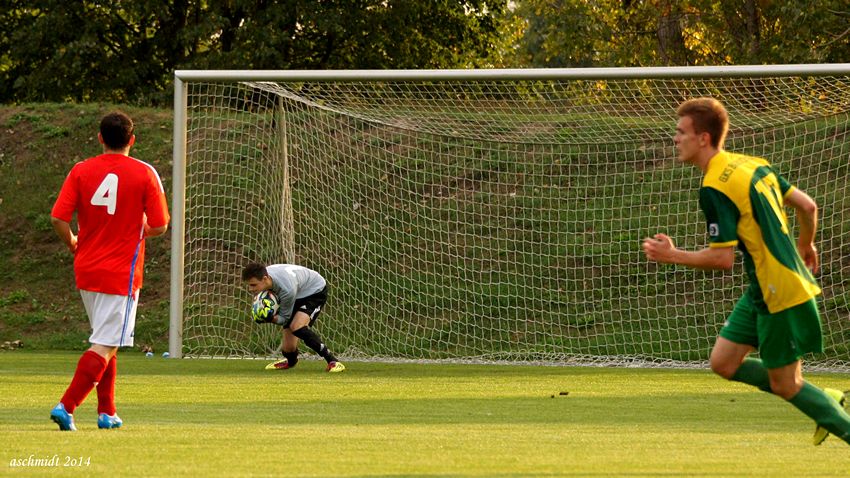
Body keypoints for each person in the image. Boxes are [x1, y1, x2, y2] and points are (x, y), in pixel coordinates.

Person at [642, 97, 850, 446]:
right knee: (724, 363)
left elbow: (721, 259)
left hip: (777, 290)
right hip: (762, 286)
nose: (675, 139)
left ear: (703, 138)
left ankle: (834, 415)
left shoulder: (713, 188)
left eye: (681, 133)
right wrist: (805, 244)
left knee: (786, 385)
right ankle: (825, 400)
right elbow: (807, 205)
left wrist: (672, 255)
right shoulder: (751, 164)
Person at [49, 111, 170, 431]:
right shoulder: (145, 173)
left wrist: (73, 241)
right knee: (105, 343)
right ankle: (66, 405)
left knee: (107, 341)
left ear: (100, 138)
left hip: (86, 268)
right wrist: (137, 227)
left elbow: (58, 218)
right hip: (121, 273)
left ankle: (107, 412)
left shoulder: (80, 170)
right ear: (132, 140)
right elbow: (159, 225)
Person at [242, 262, 345, 373]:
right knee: (288, 349)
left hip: (314, 290)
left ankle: (333, 361)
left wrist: (270, 318)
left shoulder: (286, 290)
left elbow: (284, 319)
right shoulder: (266, 279)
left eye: (253, 285)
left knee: (297, 327)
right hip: (297, 291)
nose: (250, 289)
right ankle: (291, 362)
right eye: (248, 285)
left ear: (265, 278)